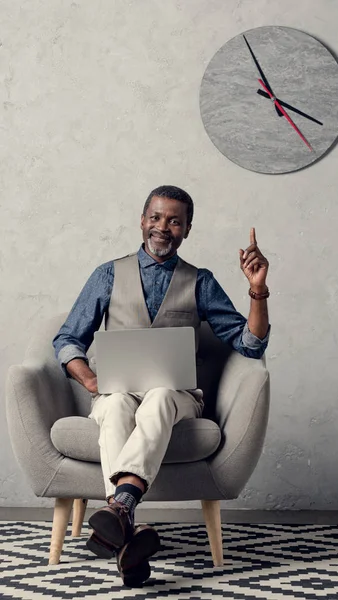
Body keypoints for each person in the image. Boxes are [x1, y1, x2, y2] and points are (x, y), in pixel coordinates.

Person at [53, 185, 271, 586]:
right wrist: (90, 379)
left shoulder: (200, 281)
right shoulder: (107, 274)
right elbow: (67, 340)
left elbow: (250, 344)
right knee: (117, 404)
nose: (162, 227)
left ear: (187, 229)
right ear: (142, 221)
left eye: (174, 221)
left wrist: (257, 288)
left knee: (159, 396)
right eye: (155, 218)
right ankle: (128, 534)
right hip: (115, 392)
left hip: (177, 398)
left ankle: (118, 510)